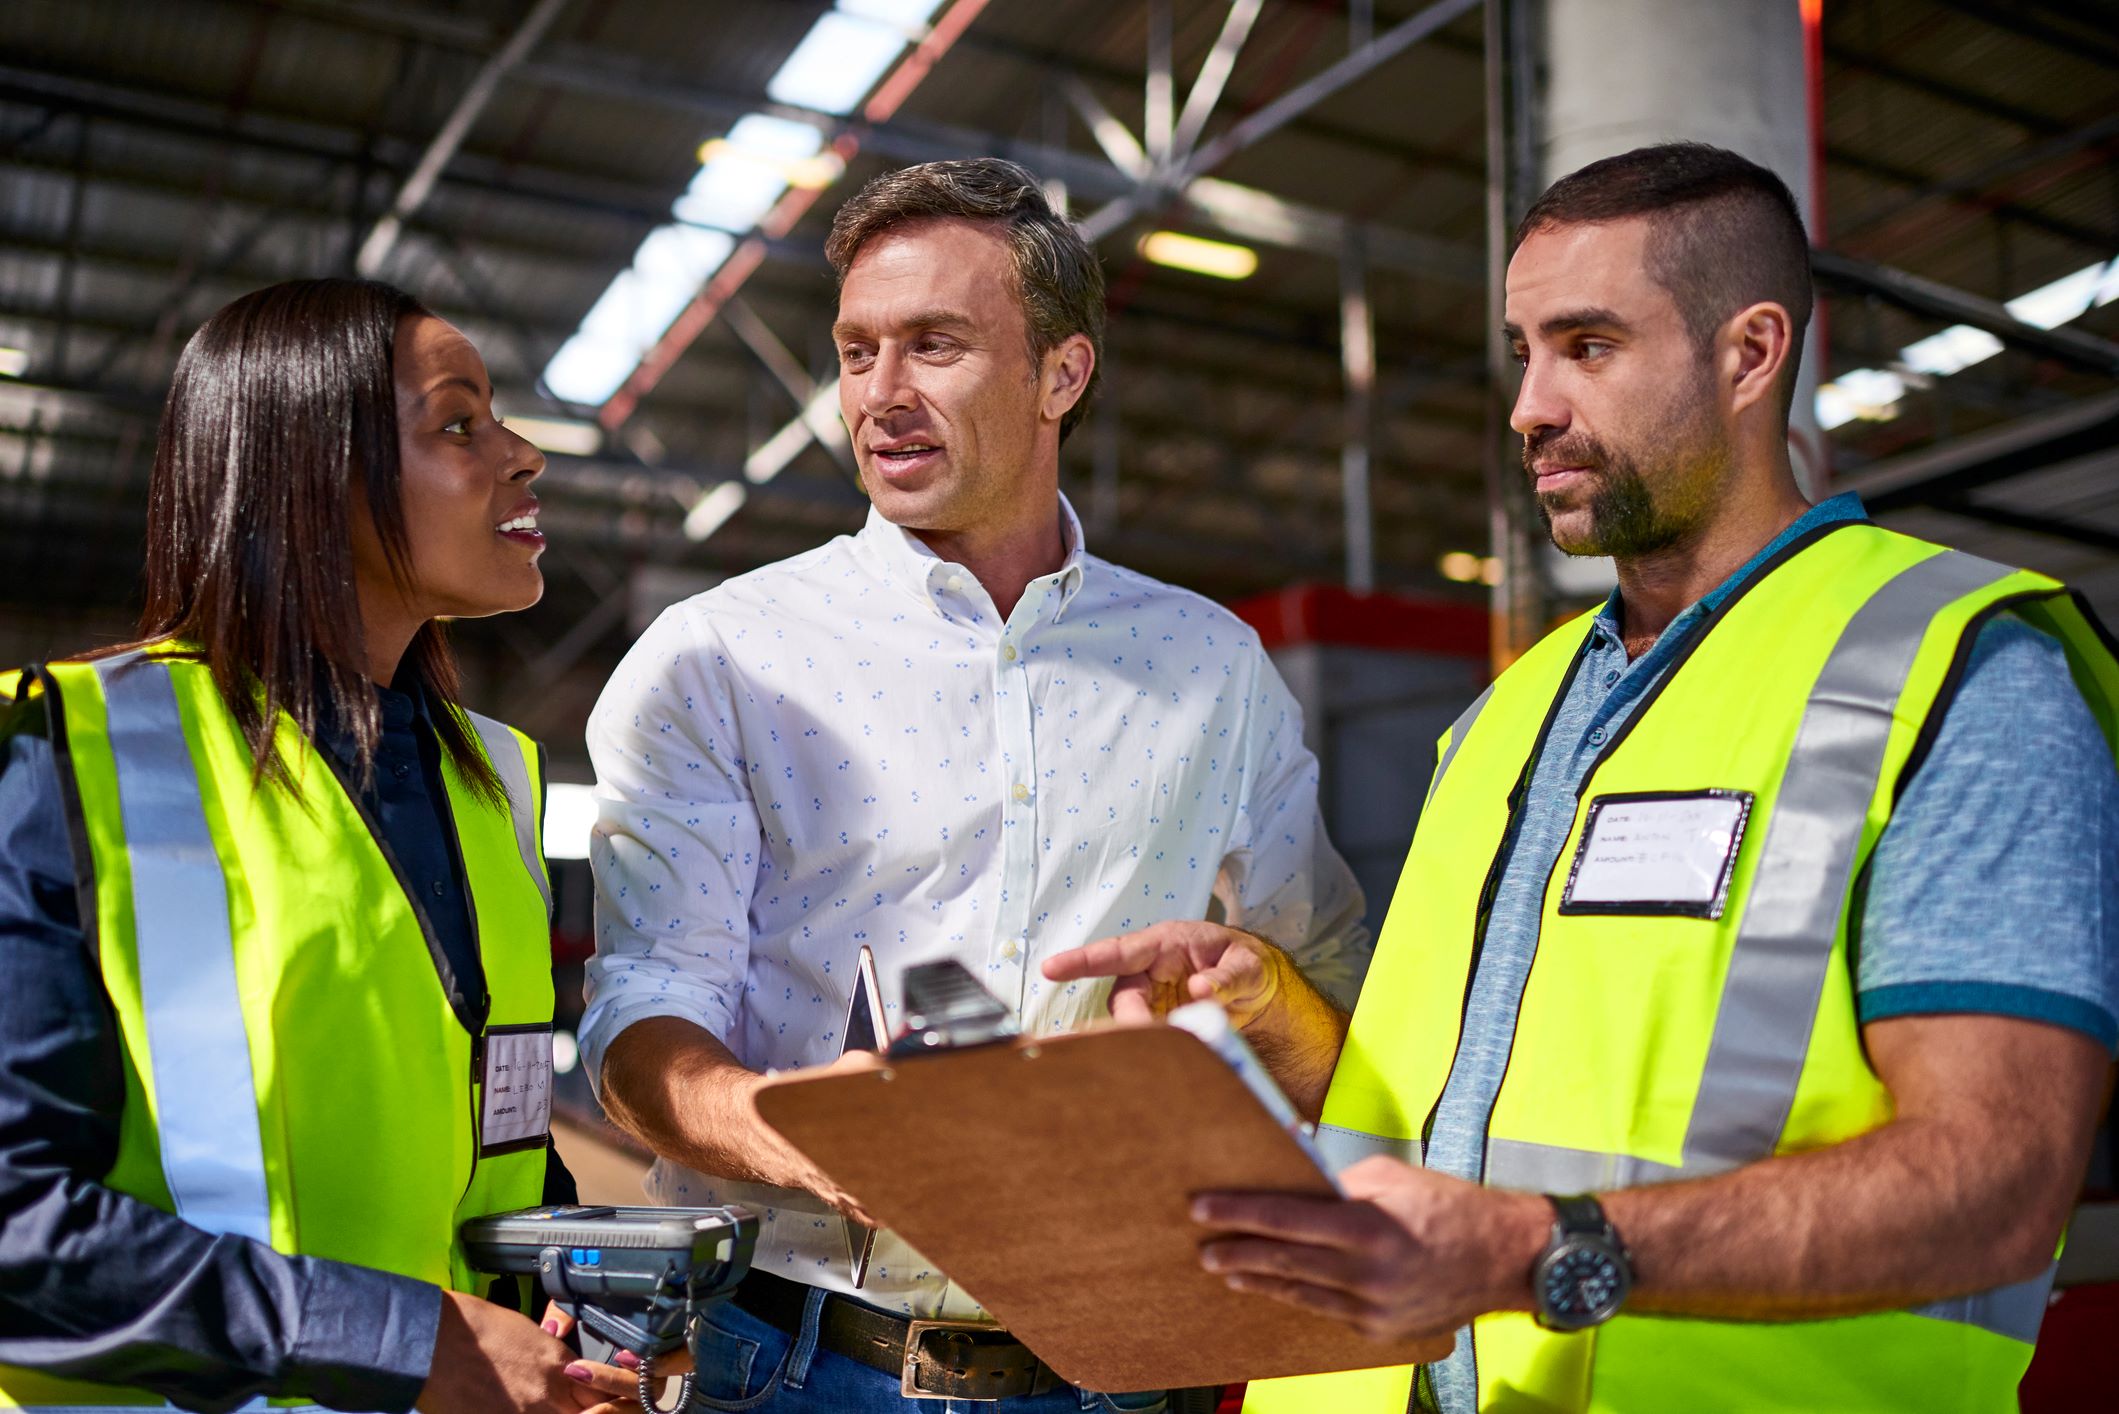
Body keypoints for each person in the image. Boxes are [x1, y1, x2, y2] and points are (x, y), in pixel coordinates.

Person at [1046, 142, 2119, 1413]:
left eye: (1589, 346)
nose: (1528, 406)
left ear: (1749, 353)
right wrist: (1277, 1020)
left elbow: (1993, 1183)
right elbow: (1461, 1119)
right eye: (1522, 351)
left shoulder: (1954, 674)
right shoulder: (1511, 712)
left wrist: (1536, 1253)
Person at [579, 158, 1370, 1411]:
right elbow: (638, 1028)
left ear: (1062, 373)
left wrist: (1257, 991)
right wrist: (794, 1126)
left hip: (1121, 1370)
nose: (879, 396)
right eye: (856, 351)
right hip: (800, 1365)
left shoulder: (1208, 669)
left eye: (934, 346)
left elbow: (1334, 1033)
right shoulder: (720, 656)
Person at [0, 279, 638, 1414]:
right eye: (459, 421)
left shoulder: (492, 787)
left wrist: (592, 1290)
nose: (523, 453)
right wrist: (399, 1339)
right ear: (313, 472)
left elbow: (489, 1145)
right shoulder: (73, 759)